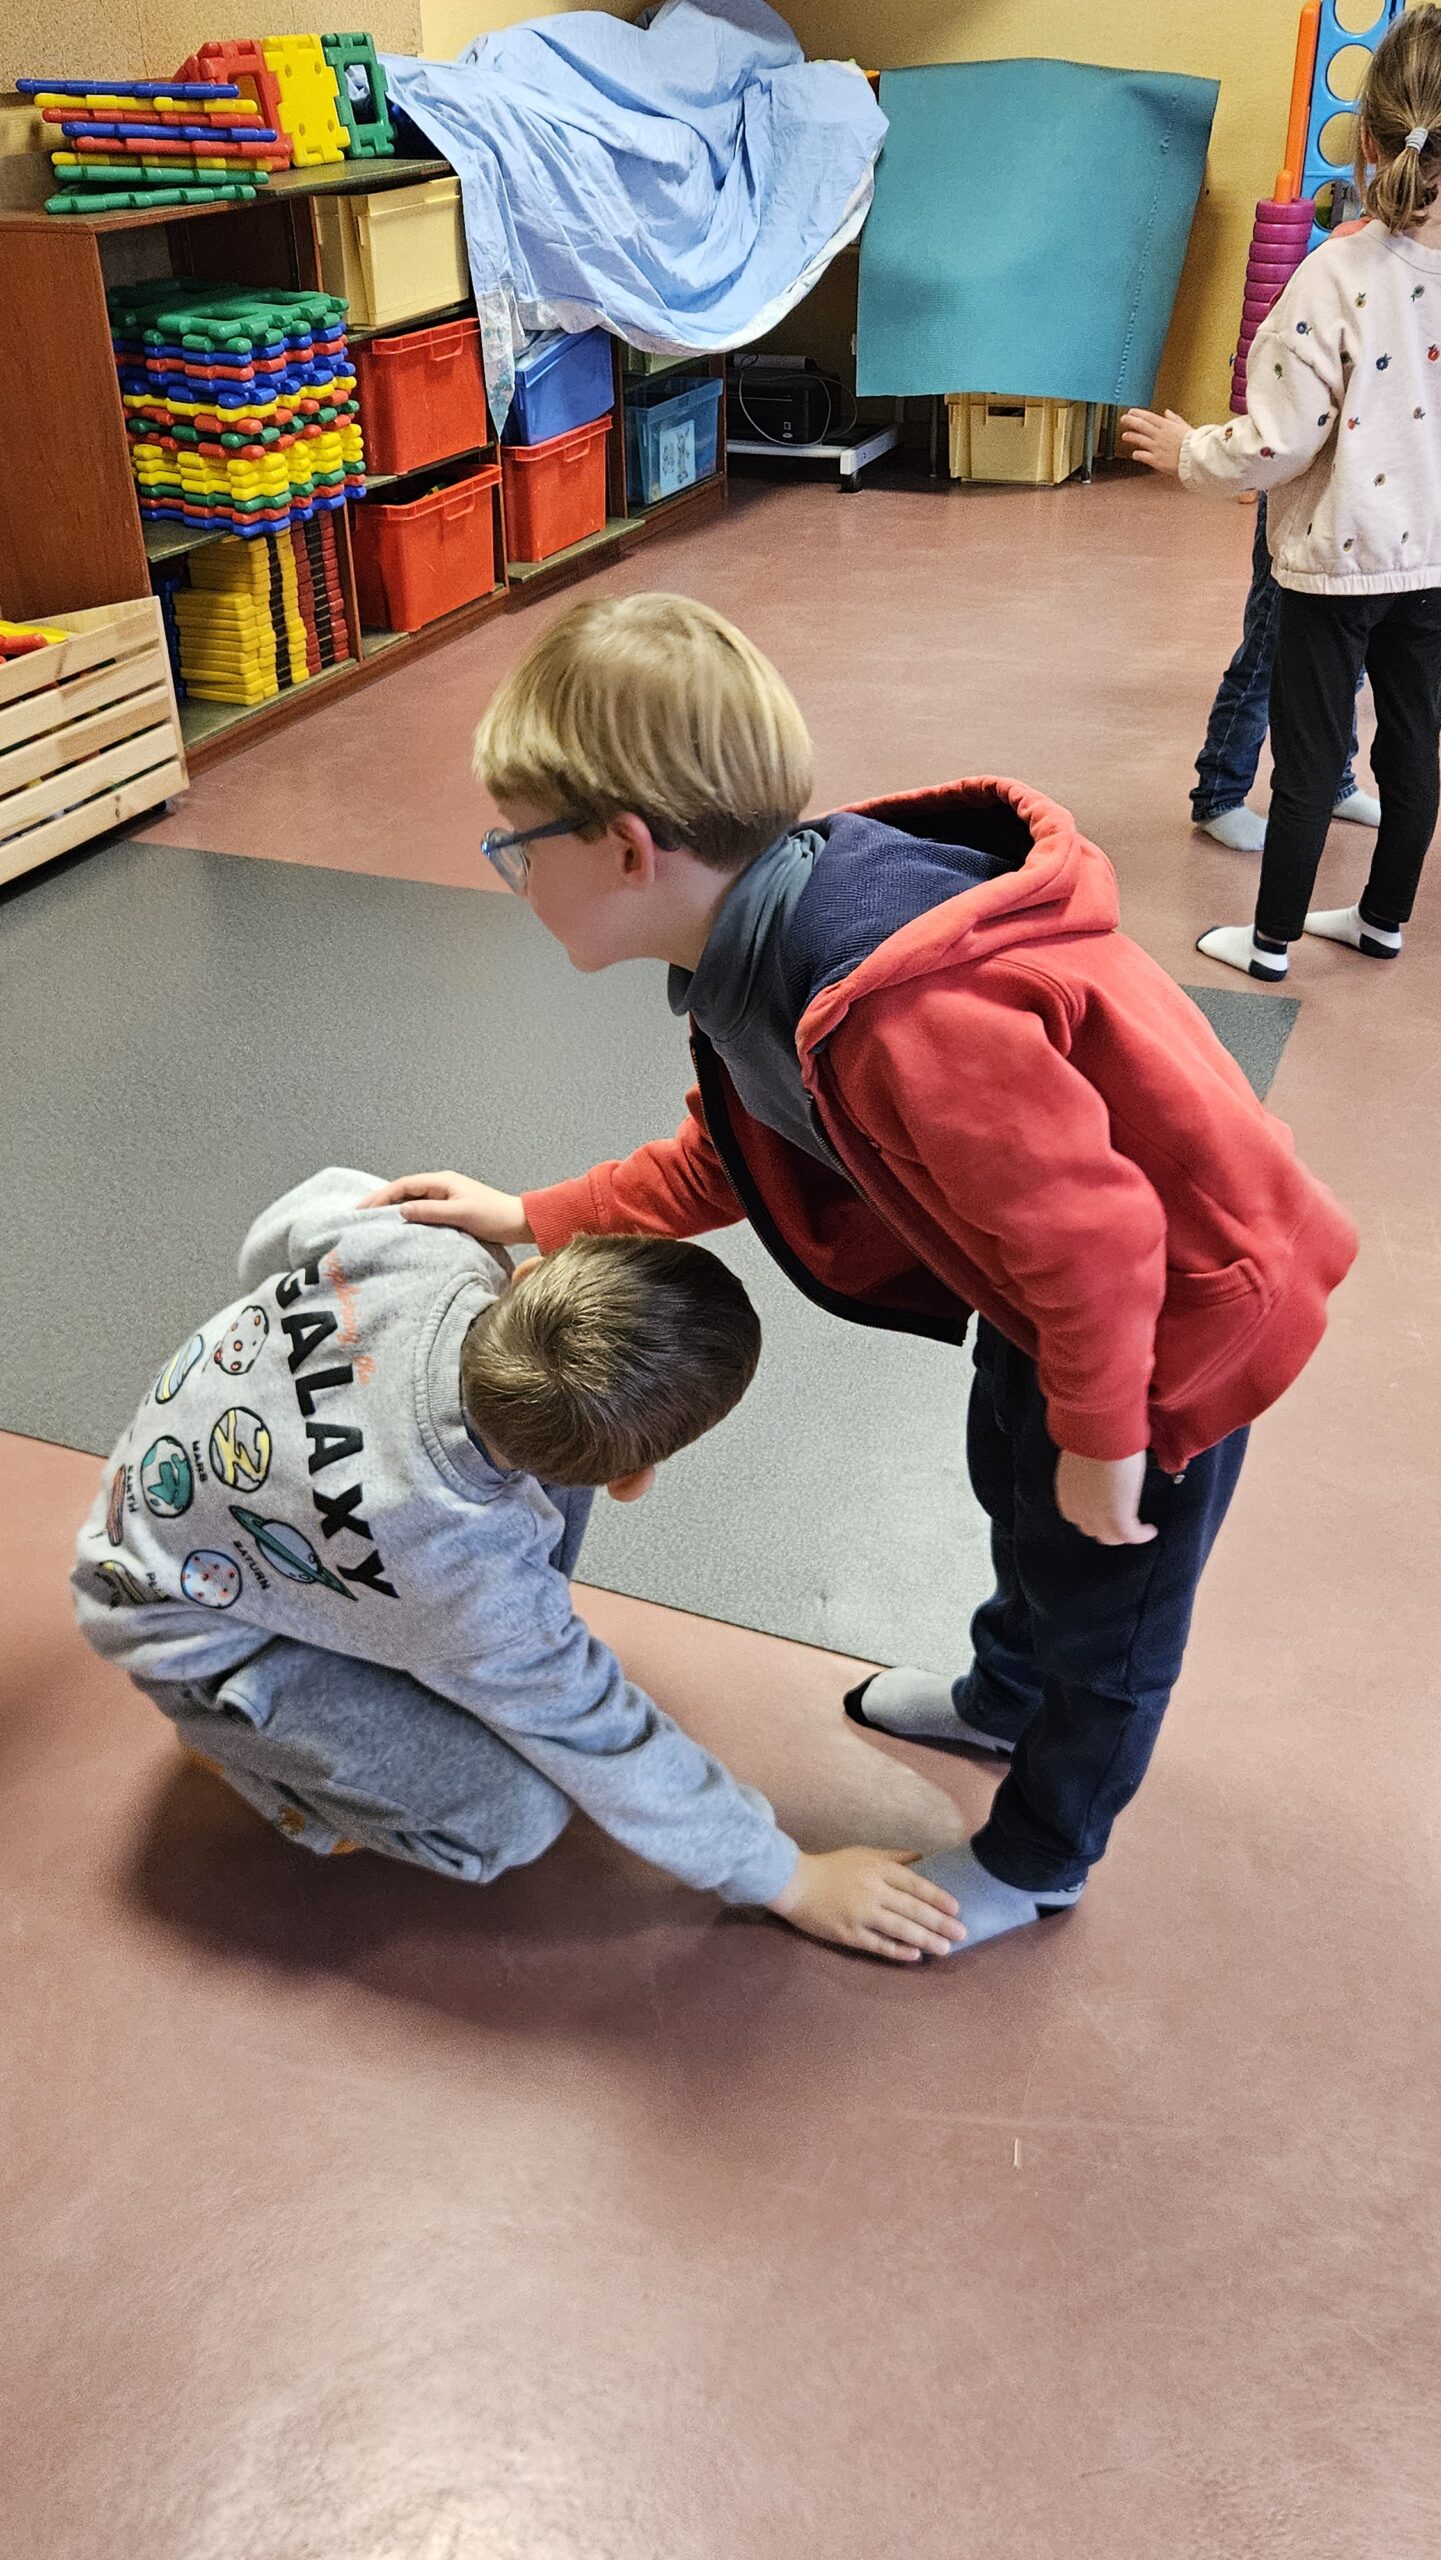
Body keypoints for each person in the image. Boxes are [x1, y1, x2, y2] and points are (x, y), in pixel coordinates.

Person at [367, 590, 1357, 1955]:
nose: (507, 871)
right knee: (1014, 1488)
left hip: (1174, 1329)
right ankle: (1005, 1693)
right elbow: (732, 1153)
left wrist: (1105, 1435)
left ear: (625, 847)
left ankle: (1044, 1851)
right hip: (1048, 1301)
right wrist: (532, 1215)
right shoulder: (753, 949)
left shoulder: (899, 1007)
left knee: (1110, 1609)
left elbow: (1103, 1241)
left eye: (513, 846)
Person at [72, 1166, 963, 1965]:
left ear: (533, 1274)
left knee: (501, 1601)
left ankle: (421, 1651)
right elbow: (597, 1735)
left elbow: (284, 1226)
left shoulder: (416, 1247)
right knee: (512, 1820)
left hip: (178, 1501)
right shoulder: (474, 1588)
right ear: (632, 1479)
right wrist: (789, 1878)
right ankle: (247, 1752)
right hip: (185, 1625)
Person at [1124, 5, 1441, 980]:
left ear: (1367, 141)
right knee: (1413, 751)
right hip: (1431, 561)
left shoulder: (1333, 275)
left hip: (1334, 564)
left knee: (1306, 761)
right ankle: (1381, 921)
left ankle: (1268, 945)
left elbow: (1275, 441)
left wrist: (1187, 453)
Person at [1191, 491, 1379, 851]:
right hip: (1301, 507)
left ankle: (1336, 783)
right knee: (1265, 657)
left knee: (1347, 663)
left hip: (1365, 507)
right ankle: (1220, 798)